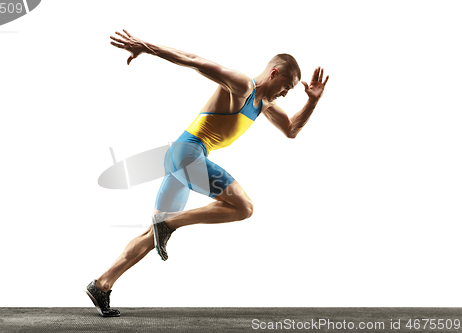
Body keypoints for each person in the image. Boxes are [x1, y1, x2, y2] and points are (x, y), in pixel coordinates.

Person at [85, 29, 329, 317]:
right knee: (244, 207)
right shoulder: (242, 86)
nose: (287, 93)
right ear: (274, 73)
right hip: (188, 154)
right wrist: (146, 47)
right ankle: (171, 224)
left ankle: (102, 284)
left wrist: (312, 101)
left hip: (181, 159)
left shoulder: (265, 105)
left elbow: (291, 131)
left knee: (152, 233)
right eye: (287, 86)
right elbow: (193, 60)